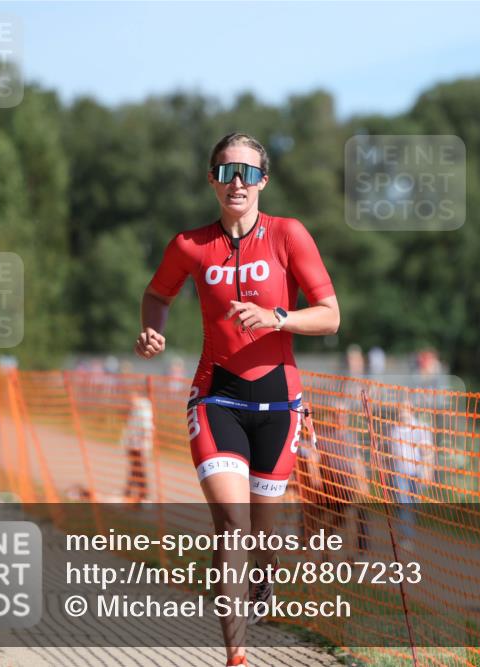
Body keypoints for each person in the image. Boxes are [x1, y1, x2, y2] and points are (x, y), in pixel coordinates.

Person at [135, 132, 339, 667]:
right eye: (226, 173)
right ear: (212, 180)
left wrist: (277, 318)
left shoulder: (288, 235)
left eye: (247, 173)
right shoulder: (189, 245)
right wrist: (152, 330)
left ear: (263, 181)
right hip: (216, 395)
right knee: (232, 519)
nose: (237, 183)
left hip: (279, 401)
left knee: (263, 536)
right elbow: (157, 294)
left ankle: (266, 577)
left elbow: (330, 314)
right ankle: (236, 656)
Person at [298, 401, 370, 557]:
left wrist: (363, 483)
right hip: (329, 486)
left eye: (343, 415)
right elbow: (313, 456)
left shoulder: (351, 437)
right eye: (337, 415)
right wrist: (315, 478)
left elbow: (357, 461)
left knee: (350, 516)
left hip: (348, 486)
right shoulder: (323, 436)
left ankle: (351, 558)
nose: (341, 418)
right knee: (326, 519)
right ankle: (323, 552)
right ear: (331, 416)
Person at [385, 401, 434, 551]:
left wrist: (427, 471)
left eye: (405, 408)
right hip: (398, 473)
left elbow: (427, 452)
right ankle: (407, 536)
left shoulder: (420, 428)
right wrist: (387, 471)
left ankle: (405, 532)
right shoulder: (393, 429)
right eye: (400, 408)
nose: (402, 411)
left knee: (410, 504)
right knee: (403, 502)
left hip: (415, 472)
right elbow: (389, 453)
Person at [120, 393, 154, 503]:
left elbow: (146, 426)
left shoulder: (143, 408)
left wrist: (142, 443)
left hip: (139, 446)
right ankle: (131, 491)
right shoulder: (136, 409)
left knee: (138, 469)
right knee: (135, 469)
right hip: (134, 444)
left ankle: (141, 493)